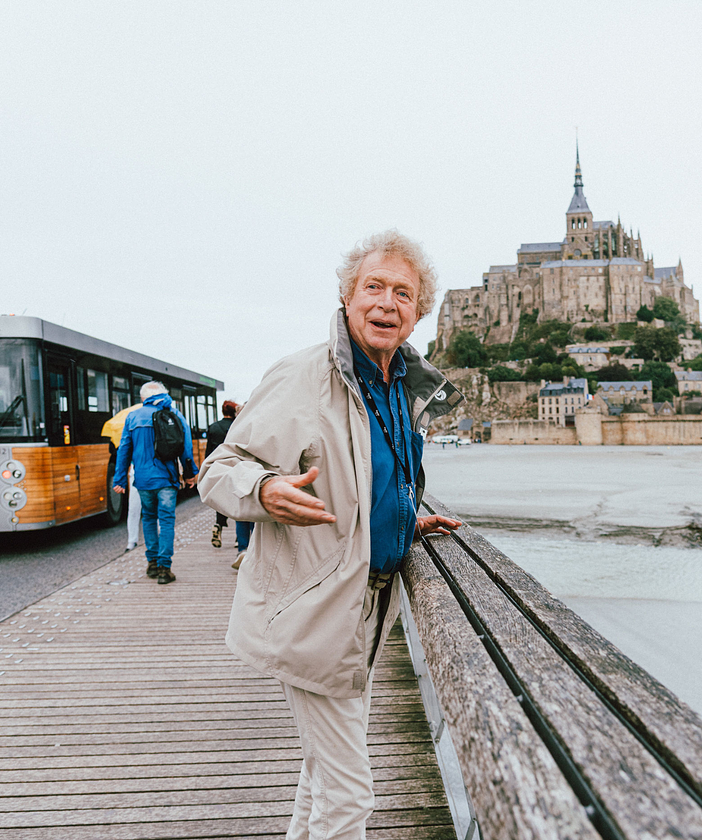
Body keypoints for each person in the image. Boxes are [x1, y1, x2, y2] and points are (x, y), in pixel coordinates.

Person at [198, 230, 463, 839]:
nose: (386, 303)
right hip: (314, 609)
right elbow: (219, 469)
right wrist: (264, 491)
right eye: (373, 287)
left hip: (367, 607)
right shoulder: (304, 375)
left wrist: (403, 518)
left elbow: (374, 475)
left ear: (419, 312)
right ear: (347, 295)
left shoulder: (400, 384)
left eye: (403, 293)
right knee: (350, 798)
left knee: (322, 776)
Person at [113, 381, 198, 584]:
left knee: (149, 518)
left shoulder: (132, 417)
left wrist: (120, 479)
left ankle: (152, 563)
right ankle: (164, 568)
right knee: (167, 520)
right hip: (166, 478)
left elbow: (124, 449)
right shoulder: (174, 414)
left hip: (143, 479)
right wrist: (189, 474)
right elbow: (186, 447)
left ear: (143, 398)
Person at [205, 400, 254, 568]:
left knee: (238, 513)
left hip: (231, 472)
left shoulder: (218, 428)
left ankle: (241, 548)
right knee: (254, 514)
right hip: (254, 474)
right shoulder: (254, 428)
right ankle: (254, 549)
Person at [101, 402, 142, 551]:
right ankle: (156, 539)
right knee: (153, 509)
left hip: (135, 474)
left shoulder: (127, 429)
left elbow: (121, 454)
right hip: (149, 474)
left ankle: (132, 541)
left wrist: (120, 480)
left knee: (134, 508)